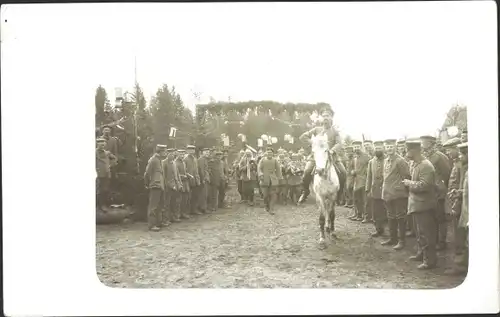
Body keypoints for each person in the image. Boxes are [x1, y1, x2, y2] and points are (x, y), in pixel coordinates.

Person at [298, 108, 346, 204]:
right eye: (323, 116)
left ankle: (340, 194)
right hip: (316, 157)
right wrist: (313, 143)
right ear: (321, 118)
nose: (325, 118)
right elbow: (303, 137)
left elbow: (339, 143)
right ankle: (305, 191)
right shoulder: (316, 130)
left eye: (327, 116)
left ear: (331, 118)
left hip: (331, 156)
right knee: (307, 171)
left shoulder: (335, 131)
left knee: (343, 173)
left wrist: (332, 150)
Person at [403, 140, 438, 269]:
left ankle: (430, 261)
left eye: (408, 150)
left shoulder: (426, 166)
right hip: (417, 204)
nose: (406, 153)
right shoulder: (415, 164)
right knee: (419, 232)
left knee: (427, 234)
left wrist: (409, 183)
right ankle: (421, 254)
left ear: (415, 151)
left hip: (425, 206)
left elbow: (425, 185)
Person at [421, 135, 452, 250]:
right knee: (431, 218)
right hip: (428, 192)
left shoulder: (439, 156)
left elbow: (447, 174)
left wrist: (441, 186)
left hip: (438, 192)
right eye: (422, 142)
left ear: (431, 143)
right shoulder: (424, 156)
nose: (422, 144)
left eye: (425, 142)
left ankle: (442, 242)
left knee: (440, 218)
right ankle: (433, 240)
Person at [381, 139, 411, 249]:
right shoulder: (386, 160)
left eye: (391, 146)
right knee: (390, 217)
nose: (389, 149)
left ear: (395, 147)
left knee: (400, 217)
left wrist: (402, 190)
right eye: (387, 147)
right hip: (388, 193)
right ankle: (392, 238)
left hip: (398, 194)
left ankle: (401, 241)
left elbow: (406, 177)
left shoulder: (400, 161)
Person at [444, 142, 468, 276]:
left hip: (461, 207)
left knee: (460, 237)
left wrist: (455, 206)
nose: (459, 155)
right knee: (458, 236)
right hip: (457, 204)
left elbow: (463, 191)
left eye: (461, 153)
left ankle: (460, 265)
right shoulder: (458, 164)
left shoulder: (464, 167)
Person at [144, 144, 167, 231]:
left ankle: (158, 222)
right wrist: (147, 184)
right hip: (155, 185)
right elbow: (147, 173)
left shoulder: (159, 160)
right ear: (160, 151)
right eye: (164, 151)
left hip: (160, 186)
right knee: (153, 206)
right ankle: (152, 225)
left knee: (160, 206)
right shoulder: (153, 160)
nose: (166, 153)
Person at [366, 141, 387, 237]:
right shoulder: (371, 162)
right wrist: (368, 189)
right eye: (376, 148)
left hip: (386, 190)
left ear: (383, 148)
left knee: (387, 211)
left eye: (380, 148)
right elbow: (369, 176)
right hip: (375, 190)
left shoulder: (387, 160)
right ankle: (379, 229)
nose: (378, 150)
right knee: (376, 211)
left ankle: (392, 232)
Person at [349, 141, 371, 221]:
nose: (356, 148)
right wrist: (352, 171)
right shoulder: (354, 157)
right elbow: (352, 167)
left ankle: (367, 216)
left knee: (365, 200)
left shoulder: (366, 156)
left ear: (360, 147)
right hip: (356, 181)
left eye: (357, 147)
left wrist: (366, 173)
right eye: (355, 147)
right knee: (357, 199)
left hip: (364, 180)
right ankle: (358, 215)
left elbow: (370, 167)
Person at [258, 147, 283, 214]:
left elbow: (278, 170)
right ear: (266, 153)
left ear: (273, 153)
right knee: (265, 195)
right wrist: (260, 174)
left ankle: (271, 209)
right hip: (264, 180)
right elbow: (259, 168)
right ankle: (266, 205)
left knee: (273, 195)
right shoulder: (262, 160)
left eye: (271, 152)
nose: (269, 154)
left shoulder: (275, 160)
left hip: (273, 180)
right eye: (268, 152)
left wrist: (280, 178)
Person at [96, 138, 117, 213]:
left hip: (107, 173)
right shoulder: (95, 152)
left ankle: (103, 205)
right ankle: (98, 206)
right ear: (97, 144)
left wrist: (110, 165)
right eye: (100, 144)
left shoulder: (107, 153)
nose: (102, 145)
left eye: (103, 144)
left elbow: (115, 159)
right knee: (98, 190)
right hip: (98, 174)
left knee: (105, 190)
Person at [163, 148, 181, 224]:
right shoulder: (164, 163)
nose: (173, 155)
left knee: (174, 203)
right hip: (167, 187)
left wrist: (178, 184)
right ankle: (166, 219)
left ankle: (173, 217)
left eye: (174, 154)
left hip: (175, 186)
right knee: (166, 204)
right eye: (171, 154)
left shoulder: (174, 163)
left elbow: (177, 175)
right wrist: (170, 185)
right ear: (167, 154)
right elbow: (164, 177)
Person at [184, 145, 202, 216]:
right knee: (188, 197)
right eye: (190, 150)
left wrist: (198, 179)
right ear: (187, 151)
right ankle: (187, 211)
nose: (192, 151)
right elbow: (184, 170)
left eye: (193, 150)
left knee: (195, 196)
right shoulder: (185, 159)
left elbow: (196, 170)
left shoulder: (195, 159)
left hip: (195, 180)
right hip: (188, 180)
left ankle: (194, 209)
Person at [175, 149, 191, 219]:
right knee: (179, 200)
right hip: (180, 183)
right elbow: (176, 174)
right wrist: (182, 176)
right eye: (180, 154)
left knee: (185, 199)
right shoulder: (175, 163)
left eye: (183, 154)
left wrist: (189, 175)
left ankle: (183, 213)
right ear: (177, 155)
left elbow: (185, 172)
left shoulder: (183, 162)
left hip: (185, 183)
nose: (182, 156)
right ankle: (177, 214)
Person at [363, 140, 375, 223]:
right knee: (367, 199)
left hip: (376, 179)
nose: (367, 147)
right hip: (367, 178)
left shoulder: (375, 154)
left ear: (372, 145)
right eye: (365, 145)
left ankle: (374, 217)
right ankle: (367, 217)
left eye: (368, 145)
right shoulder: (365, 155)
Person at [197, 148, 211, 214]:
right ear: (202, 153)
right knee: (203, 195)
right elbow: (201, 170)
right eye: (206, 152)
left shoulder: (205, 159)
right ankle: (203, 208)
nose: (207, 154)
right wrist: (203, 179)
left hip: (206, 179)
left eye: (208, 152)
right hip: (203, 179)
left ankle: (204, 207)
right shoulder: (201, 160)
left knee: (205, 194)